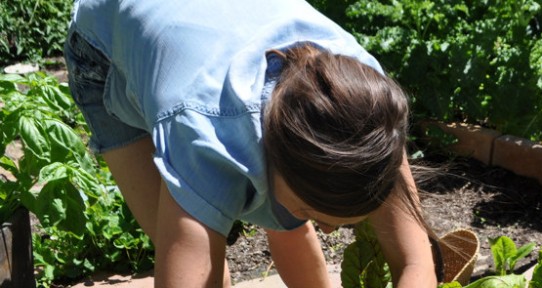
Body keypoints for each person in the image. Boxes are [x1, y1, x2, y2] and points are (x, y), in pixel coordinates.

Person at [64, 0, 436, 286]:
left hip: (217, 30)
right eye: (316, 215)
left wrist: (304, 207)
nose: (328, 233)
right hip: (105, 45)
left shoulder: (365, 111)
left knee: (285, 210)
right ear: (272, 153)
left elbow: (417, 263)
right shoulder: (206, 139)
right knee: (201, 261)